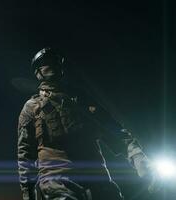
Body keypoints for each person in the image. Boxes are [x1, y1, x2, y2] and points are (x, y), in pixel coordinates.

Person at [17, 48, 154, 200]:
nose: (51, 66)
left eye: (54, 62)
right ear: (38, 71)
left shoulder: (80, 99)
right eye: (45, 63)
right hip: (57, 183)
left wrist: (139, 158)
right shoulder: (31, 107)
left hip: (97, 181)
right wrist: (28, 194)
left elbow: (115, 133)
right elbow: (25, 158)